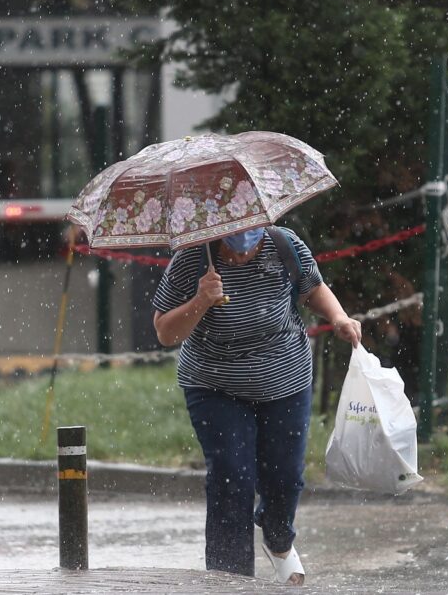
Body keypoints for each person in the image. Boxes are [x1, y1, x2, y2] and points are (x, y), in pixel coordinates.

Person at [152, 225, 360, 585]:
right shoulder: (192, 258)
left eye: (252, 234)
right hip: (214, 385)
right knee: (232, 477)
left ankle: (279, 539)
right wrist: (201, 299)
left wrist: (338, 317)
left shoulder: (283, 244)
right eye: (234, 237)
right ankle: (229, 579)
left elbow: (313, 288)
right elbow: (165, 332)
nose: (243, 246)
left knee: (286, 478)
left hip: (285, 380)